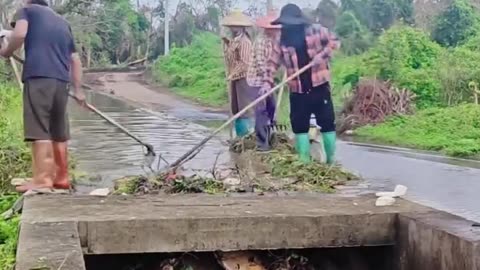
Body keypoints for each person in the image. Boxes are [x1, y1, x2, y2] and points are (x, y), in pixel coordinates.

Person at [0, 0, 85, 192]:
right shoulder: (62, 22)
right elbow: (75, 59)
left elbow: (20, 33)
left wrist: (6, 50)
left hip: (39, 77)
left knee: (40, 128)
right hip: (62, 82)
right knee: (58, 131)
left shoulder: (27, 11)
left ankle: (43, 180)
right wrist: (78, 90)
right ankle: (62, 178)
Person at [261, 4, 340, 164]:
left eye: (291, 24)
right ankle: (304, 162)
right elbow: (271, 63)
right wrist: (266, 83)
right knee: (299, 125)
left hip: (319, 87)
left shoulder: (316, 31)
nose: (288, 27)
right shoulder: (281, 40)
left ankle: (331, 162)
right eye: (286, 24)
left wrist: (322, 56)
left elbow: (335, 42)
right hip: (298, 90)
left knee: (327, 123)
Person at [247, 10, 281, 151]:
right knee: (261, 112)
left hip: (268, 81)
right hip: (257, 81)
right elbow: (262, 66)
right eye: (274, 29)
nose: (276, 32)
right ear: (268, 29)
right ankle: (262, 144)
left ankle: (271, 136)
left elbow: (277, 61)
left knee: (272, 108)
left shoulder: (275, 42)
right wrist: (270, 79)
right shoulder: (261, 42)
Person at [222, 10, 255, 138]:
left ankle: (245, 137)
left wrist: (232, 74)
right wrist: (227, 43)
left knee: (244, 108)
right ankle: (239, 136)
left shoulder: (245, 42)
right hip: (235, 78)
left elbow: (245, 63)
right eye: (231, 26)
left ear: (241, 27)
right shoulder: (235, 40)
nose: (232, 28)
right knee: (235, 108)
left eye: (235, 25)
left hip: (244, 78)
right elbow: (233, 55)